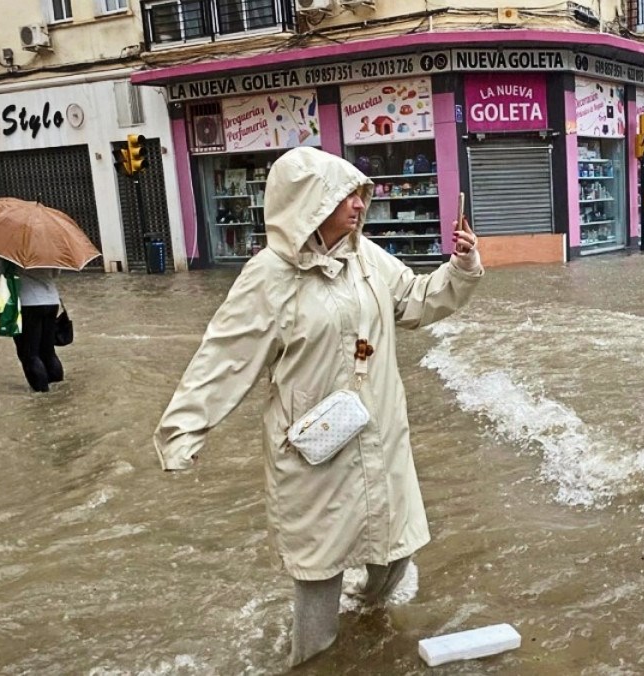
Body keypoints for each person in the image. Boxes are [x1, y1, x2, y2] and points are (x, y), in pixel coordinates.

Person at [152, 147, 483, 668]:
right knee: (319, 570)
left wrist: (460, 268)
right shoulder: (269, 277)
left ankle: (366, 618)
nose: (357, 204)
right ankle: (312, 661)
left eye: (358, 194)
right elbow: (224, 356)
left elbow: (415, 300)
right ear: (310, 203)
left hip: (379, 434)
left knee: (394, 549)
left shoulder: (366, 259)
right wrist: (184, 430)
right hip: (314, 450)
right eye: (344, 196)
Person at [0, 254, 62, 392]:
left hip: (27, 303)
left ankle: (42, 396)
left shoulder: (6, 247)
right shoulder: (48, 244)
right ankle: (59, 391)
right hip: (51, 301)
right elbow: (55, 273)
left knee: (29, 354)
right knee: (48, 351)